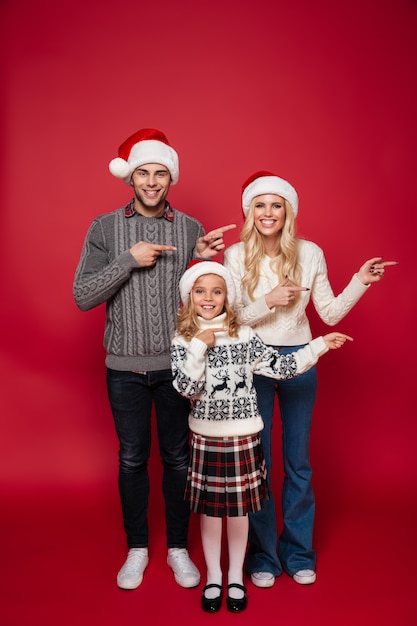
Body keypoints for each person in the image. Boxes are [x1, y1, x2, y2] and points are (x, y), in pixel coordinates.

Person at [73, 128, 236, 590]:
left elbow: (203, 297)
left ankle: (179, 550)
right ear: (130, 178)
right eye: (142, 172)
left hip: (177, 366)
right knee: (131, 458)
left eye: (159, 173)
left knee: (179, 458)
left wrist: (199, 260)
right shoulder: (104, 228)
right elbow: (83, 297)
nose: (150, 181)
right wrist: (127, 259)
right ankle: (138, 549)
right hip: (123, 367)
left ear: (170, 178)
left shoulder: (189, 229)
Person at [223, 171, 398, 588]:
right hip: (252, 363)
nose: (268, 213)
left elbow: (331, 313)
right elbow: (231, 321)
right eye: (260, 205)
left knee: (298, 463)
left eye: (276, 205)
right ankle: (263, 557)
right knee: (257, 464)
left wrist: (360, 281)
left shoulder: (310, 253)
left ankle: (298, 552)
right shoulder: (233, 256)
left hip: (301, 360)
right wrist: (269, 300)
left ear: (289, 212)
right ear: (250, 211)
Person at [170, 260, 352, 612]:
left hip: (242, 436)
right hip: (207, 438)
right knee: (210, 514)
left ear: (227, 296)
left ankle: (236, 576)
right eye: (200, 291)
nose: (208, 298)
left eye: (217, 291)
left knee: (238, 513)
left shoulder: (245, 336)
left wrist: (318, 345)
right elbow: (186, 389)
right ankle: (213, 577)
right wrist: (198, 348)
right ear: (189, 298)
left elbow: (280, 367)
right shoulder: (184, 340)